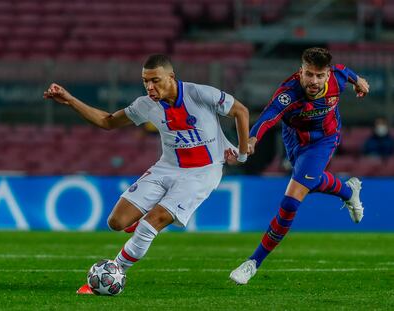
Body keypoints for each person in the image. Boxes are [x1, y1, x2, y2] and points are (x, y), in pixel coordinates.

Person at [43, 54, 250, 293]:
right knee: (116, 222)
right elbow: (108, 122)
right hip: (167, 167)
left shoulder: (200, 94)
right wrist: (69, 99)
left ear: (171, 77)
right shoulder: (146, 105)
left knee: (150, 224)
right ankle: (137, 229)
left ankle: (114, 273)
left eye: (155, 80)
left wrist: (242, 155)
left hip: (202, 174)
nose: (150, 87)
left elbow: (241, 111)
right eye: (145, 82)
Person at [226, 47, 370, 285]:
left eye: (319, 75)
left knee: (291, 200)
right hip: (295, 139)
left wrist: (358, 81)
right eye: (309, 74)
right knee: (309, 183)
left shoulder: (337, 78)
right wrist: (252, 139)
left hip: (325, 139)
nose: (314, 81)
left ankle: (252, 263)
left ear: (327, 74)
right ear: (301, 72)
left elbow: (345, 71)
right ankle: (348, 191)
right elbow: (269, 115)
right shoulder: (288, 92)